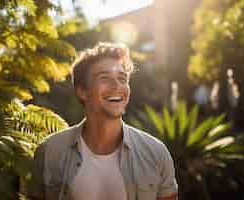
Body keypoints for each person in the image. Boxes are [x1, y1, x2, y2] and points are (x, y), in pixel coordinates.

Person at [26, 42, 178, 200]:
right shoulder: (49, 151)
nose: (116, 86)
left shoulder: (156, 153)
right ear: (82, 91)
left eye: (122, 78)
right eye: (104, 78)